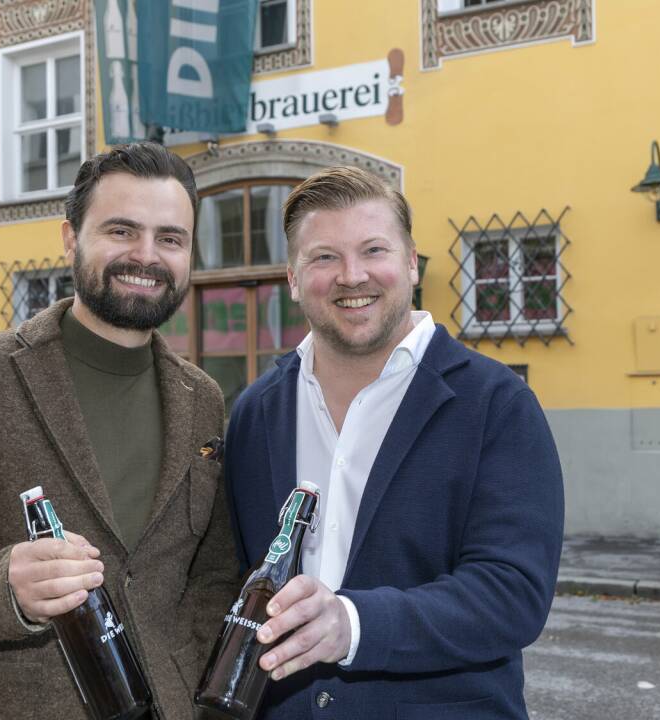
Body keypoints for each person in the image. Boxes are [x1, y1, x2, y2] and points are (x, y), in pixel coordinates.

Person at [0, 143, 238, 719]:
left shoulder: (204, 399)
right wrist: (4, 586)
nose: (146, 255)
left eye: (170, 238)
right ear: (71, 238)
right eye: (121, 230)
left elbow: (211, 577)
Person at [223, 167, 565, 719]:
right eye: (324, 257)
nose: (351, 276)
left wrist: (353, 625)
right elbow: (233, 581)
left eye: (373, 250)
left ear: (410, 262)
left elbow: (512, 593)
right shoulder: (256, 411)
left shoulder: (496, 403)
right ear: (291, 277)